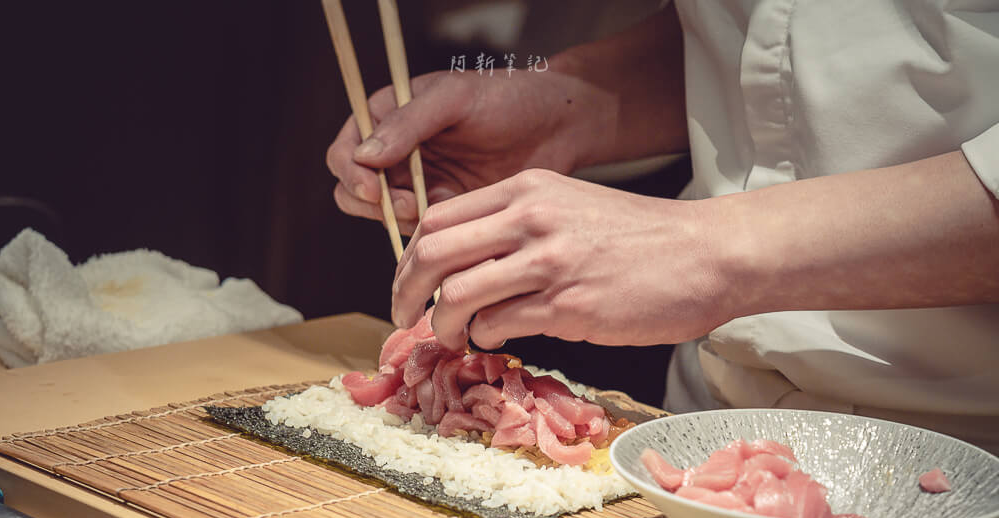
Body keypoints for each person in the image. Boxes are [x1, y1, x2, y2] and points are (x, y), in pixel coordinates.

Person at [327, 2, 999, 452]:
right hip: (698, 433)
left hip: (967, 456)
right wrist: (567, 103)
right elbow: (780, 31)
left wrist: (712, 252)